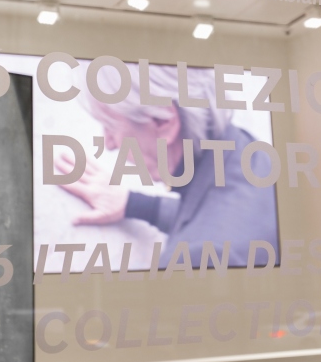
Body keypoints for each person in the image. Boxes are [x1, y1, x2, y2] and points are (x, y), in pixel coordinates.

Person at [55, 63, 278, 269]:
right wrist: (134, 204)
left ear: (163, 122)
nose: (109, 143)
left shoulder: (195, 260)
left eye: (111, 126)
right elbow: (214, 214)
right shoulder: (248, 152)